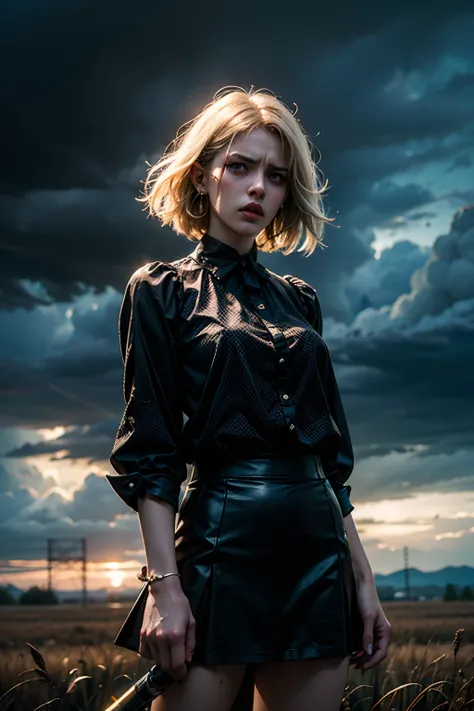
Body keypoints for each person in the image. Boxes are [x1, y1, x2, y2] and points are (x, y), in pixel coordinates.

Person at [107, 86, 391, 711]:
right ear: (204, 174)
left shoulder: (302, 301)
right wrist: (163, 588)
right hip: (217, 546)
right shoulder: (159, 291)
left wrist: (363, 579)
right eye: (240, 166)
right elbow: (152, 453)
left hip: (318, 553)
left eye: (277, 176)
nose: (258, 187)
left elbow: (329, 456)